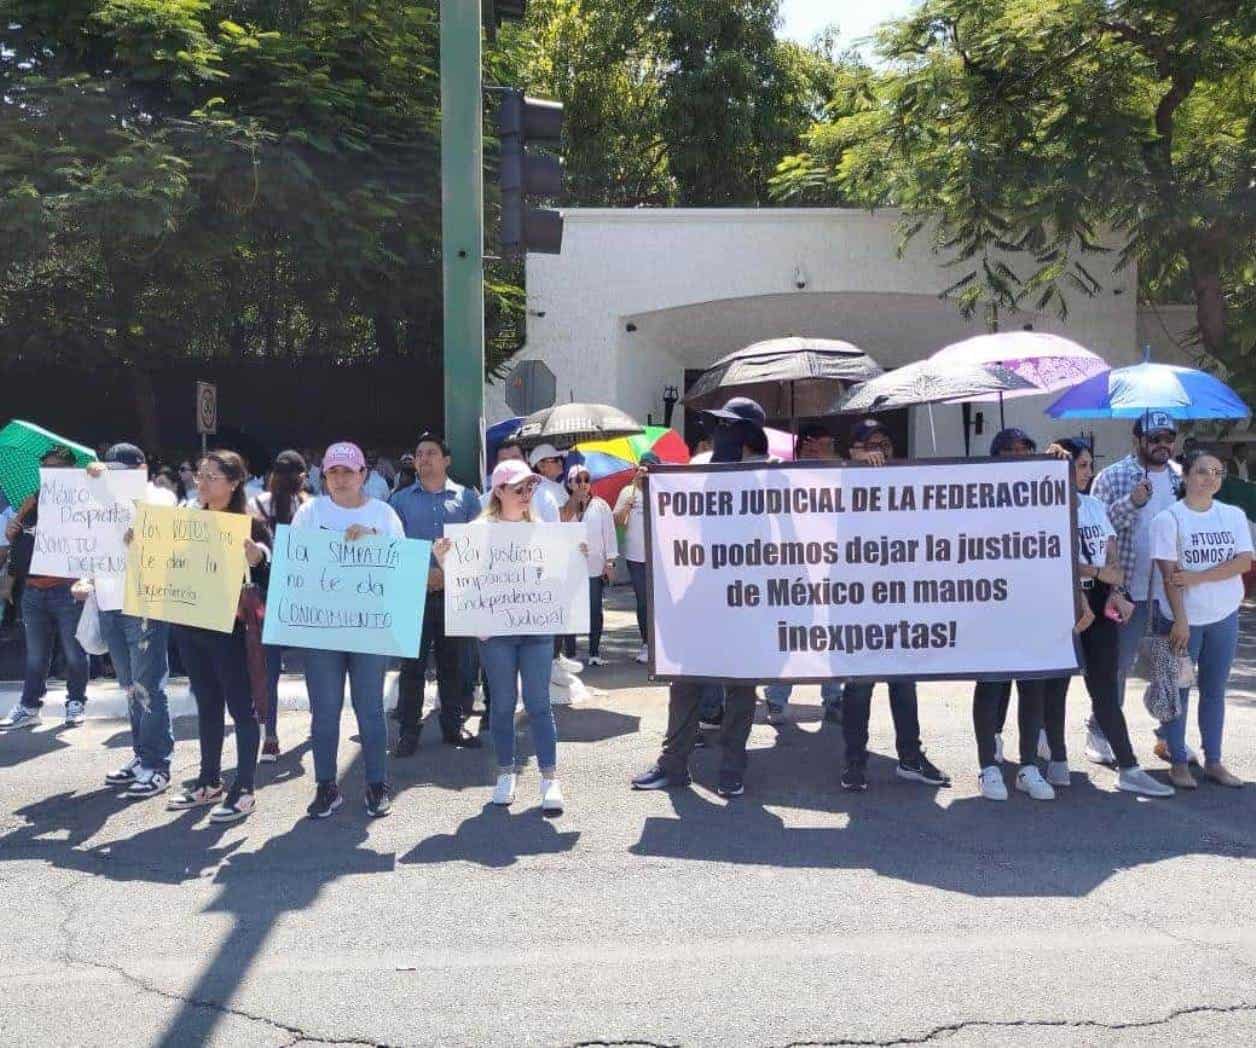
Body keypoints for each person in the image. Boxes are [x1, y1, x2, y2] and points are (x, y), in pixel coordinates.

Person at [631, 397, 770, 799]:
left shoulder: (770, 474)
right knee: (685, 680)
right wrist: (654, 480)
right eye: (718, 427)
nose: (720, 435)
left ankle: (732, 766)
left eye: (730, 428)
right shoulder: (698, 467)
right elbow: (672, 505)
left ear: (748, 437)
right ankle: (673, 764)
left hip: (747, 595)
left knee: (740, 685)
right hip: (698, 591)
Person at [435, 458, 567, 813]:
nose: (527, 494)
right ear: (500, 491)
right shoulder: (478, 532)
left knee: (539, 703)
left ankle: (549, 778)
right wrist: (445, 560)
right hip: (496, 633)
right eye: (519, 488)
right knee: (504, 705)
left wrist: (578, 557)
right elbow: (464, 581)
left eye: (531, 488)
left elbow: (560, 576)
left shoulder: (542, 530)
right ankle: (506, 774)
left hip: (537, 629)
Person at [835, 419, 950, 792]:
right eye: (869, 444)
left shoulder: (905, 482)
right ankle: (855, 763)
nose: (879, 451)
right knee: (859, 688)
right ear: (851, 451)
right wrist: (856, 470)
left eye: (885, 443)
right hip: (857, 604)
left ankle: (910, 758)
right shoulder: (838, 482)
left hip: (900, 601)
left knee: (904, 683)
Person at [291, 442, 404, 818]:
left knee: (370, 708)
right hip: (322, 630)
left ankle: (376, 783)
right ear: (323, 476)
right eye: (333, 472)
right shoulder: (310, 512)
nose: (340, 479)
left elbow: (400, 566)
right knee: (324, 711)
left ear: (364, 475)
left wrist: (374, 539)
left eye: (348, 471)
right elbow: (296, 565)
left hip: (369, 629)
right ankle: (326, 785)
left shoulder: (384, 514)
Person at [165, 450, 272, 823]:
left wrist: (256, 558)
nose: (203, 482)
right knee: (207, 703)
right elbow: (164, 561)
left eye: (212, 476)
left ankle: (244, 788)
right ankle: (209, 781)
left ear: (234, 482)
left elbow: (269, 578)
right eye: (200, 475)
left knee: (241, 709)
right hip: (190, 627)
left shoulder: (249, 524)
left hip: (231, 633)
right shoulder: (186, 519)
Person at [80, 445, 179, 799]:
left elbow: (145, 528)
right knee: (129, 687)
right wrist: (86, 579)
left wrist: (106, 490)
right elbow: (92, 542)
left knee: (149, 685)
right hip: (108, 601)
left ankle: (158, 764)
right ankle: (142, 756)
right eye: (109, 470)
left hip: (144, 604)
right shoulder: (98, 498)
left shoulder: (160, 497)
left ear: (140, 469)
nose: (112, 477)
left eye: (119, 471)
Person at [1151, 449, 1252, 789]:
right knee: (1175, 692)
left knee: (1214, 691)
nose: (1211, 478)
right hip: (1182, 621)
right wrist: (1180, 620)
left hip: (1224, 616)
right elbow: (1169, 577)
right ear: (1185, 476)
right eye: (1202, 471)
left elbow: (1243, 563)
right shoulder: (1169, 519)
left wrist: (1196, 577)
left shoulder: (1233, 515)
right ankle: (1178, 761)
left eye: (1217, 471)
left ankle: (1214, 761)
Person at [1091, 412, 1184, 763]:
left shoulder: (1180, 478)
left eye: (1169, 436)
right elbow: (1095, 527)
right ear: (1138, 440)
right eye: (1155, 437)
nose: (1163, 444)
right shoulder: (1113, 476)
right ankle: (1101, 733)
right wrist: (1133, 501)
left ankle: (1167, 737)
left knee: (1170, 668)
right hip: (1127, 592)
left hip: (1170, 592)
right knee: (1116, 667)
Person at [972, 428, 1058, 801]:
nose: (1018, 455)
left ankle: (1028, 767)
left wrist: (1058, 464)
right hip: (990, 605)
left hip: (1033, 604)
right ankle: (989, 767)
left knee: (1032, 686)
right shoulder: (976, 494)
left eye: (1026, 449)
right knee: (991, 685)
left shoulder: (1044, 490)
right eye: (1009, 450)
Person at [389, 432, 483, 756]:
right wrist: (423, 574)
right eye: (419, 454)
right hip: (412, 596)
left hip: (455, 596)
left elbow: (479, 546)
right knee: (411, 668)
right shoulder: (399, 502)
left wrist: (448, 574)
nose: (424, 458)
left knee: (452, 666)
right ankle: (408, 732)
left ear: (446, 460)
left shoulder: (467, 499)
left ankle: (453, 726)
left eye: (431, 452)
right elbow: (393, 551)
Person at [0, 447, 90, 731]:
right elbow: (21, 543)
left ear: (71, 471)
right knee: (36, 655)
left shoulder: (81, 502)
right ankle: (29, 706)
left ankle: (76, 702)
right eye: (47, 467)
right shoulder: (32, 502)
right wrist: (15, 529)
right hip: (33, 591)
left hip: (67, 590)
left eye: (58, 468)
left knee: (75, 653)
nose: (51, 473)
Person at [763, 422, 844, 725]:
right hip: (792, 570)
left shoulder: (839, 476)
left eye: (827, 445)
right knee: (790, 636)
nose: (823, 451)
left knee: (831, 637)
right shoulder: (783, 476)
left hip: (832, 569)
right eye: (815, 445)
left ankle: (834, 698)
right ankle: (776, 697)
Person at [249, 450, 311, 762]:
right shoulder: (310, 507)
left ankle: (270, 736)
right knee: (315, 666)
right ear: (302, 476)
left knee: (269, 672)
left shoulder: (256, 504)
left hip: (268, 596)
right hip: (306, 596)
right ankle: (318, 725)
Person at [565, 464, 617, 665]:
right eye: (578, 480)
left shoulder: (601, 505)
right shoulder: (565, 505)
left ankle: (594, 652)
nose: (583, 484)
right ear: (570, 483)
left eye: (586, 479)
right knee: (570, 610)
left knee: (594, 609)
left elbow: (609, 534)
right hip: (570, 567)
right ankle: (570, 653)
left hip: (595, 566)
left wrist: (610, 561)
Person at [614, 452, 659, 665]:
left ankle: (660, 644)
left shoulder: (661, 490)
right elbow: (618, 521)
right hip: (635, 557)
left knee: (659, 602)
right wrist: (627, 506)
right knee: (643, 601)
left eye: (650, 467)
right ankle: (646, 644)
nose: (645, 470)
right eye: (643, 467)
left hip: (658, 557)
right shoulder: (627, 491)